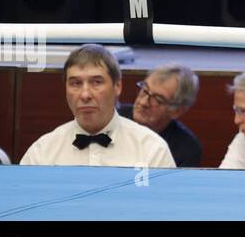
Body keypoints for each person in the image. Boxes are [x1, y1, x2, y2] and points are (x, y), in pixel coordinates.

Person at [20, 44, 175, 168]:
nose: (85, 94)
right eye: (75, 83)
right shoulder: (41, 153)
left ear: (117, 86)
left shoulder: (152, 150)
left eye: (96, 82)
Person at [119, 64, 203, 167]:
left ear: (176, 111)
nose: (143, 102)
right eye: (144, 90)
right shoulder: (114, 115)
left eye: (158, 100)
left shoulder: (187, 149)